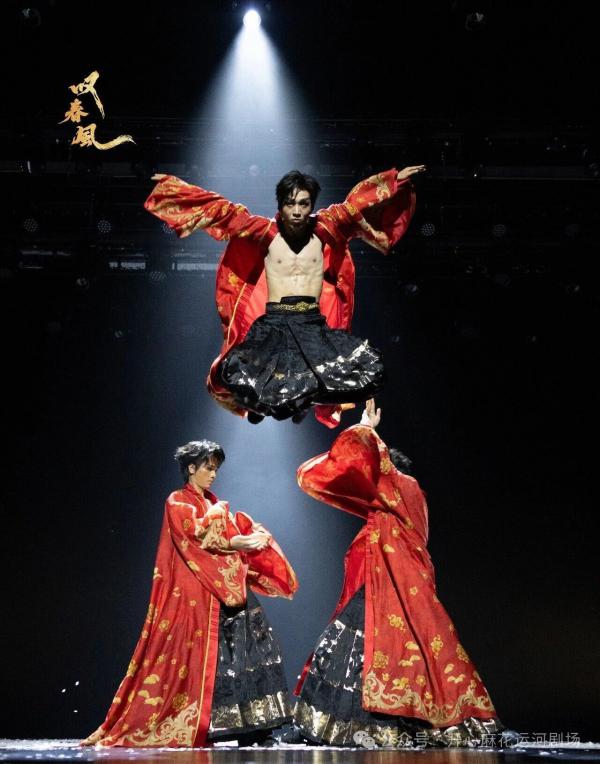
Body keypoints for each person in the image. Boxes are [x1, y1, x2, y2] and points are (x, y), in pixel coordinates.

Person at [291, 401, 505, 748]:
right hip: (400, 578)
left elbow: (324, 470)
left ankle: (344, 725)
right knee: (416, 646)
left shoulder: (398, 486)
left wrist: (367, 429)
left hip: (388, 581)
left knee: (363, 643)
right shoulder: (406, 501)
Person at [144, 166, 424, 426]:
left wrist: (394, 180)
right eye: (290, 204)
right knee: (232, 376)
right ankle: (264, 404)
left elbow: (358, 206)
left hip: (311, 323)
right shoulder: (263, 231)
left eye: (303, 204)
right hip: (274, 323)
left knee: (368, 374)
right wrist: (172, 188)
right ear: (280, 205)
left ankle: (301, 402)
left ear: (311, 205)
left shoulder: (327, 228)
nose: (297, 211)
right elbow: (221, 212)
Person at [82, 440, 298, 748]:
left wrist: (250, 538)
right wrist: (236, 542)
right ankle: (215, 727)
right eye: (208, 468)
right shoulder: (178, 501)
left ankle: (255, 729)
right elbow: (195, 535)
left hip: (225, 589)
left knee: (246, 651)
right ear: (191, 468)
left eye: (216, 469)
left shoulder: (211, 503)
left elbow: (226, 535)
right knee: (211, 661)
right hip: (198, 591)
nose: (213, 475)